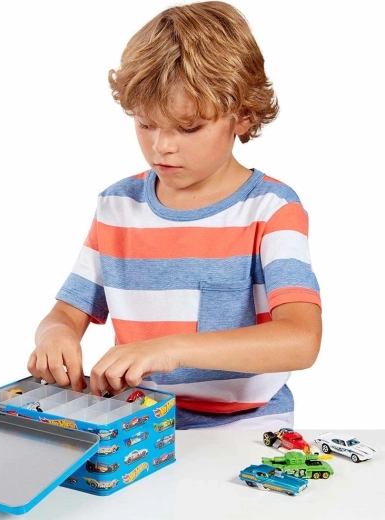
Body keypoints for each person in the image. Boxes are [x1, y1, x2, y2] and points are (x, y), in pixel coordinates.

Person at [27, 1, 322, 430]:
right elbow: (66, 312)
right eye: (146, 124)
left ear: (242, 115)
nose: (161, 146)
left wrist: (170, 349)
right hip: (136, 421)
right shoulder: (117, 206)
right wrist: (54, 335)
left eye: (187, 128)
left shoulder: (272, 209)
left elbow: (301, 339)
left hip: (245, 428)